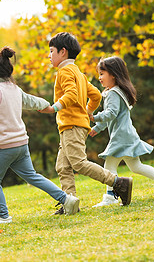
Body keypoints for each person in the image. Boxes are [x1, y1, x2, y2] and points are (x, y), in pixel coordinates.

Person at [0, 46, 80, 226]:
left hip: (6, 146)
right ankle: (67, 199)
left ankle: (3, 216)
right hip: (21, 144)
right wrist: (46, 105)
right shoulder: (14, 89)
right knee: (32, 176)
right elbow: (34, 101)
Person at [39, 32, 133, 214]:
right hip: (74, 125)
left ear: (63, 52)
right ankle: (70, 203)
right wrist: (88, 111)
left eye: (51, 51)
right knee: (63, 166)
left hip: (71, 125)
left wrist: (54, 108)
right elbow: (96, 95)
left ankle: (118, 183)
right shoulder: (78, 73)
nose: (49, 56)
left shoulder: (64, 71)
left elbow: (71, 94)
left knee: (78, 163)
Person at [89, 56, 154, 206]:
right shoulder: (116, 91)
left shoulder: (112, 93)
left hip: (121, 137)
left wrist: (94, 117)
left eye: (102, 74)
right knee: (136, 166)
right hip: (126, 135)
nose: (99, 78)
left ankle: (110, 197)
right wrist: (97, 128)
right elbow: (112, 117)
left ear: (113, 74)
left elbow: (111, 114)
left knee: (109, 166)